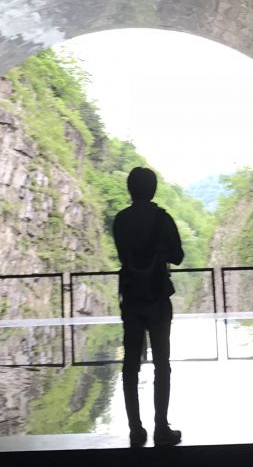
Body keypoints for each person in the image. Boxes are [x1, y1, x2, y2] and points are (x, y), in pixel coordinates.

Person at [112, 166, 183, 447]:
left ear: (130, 189)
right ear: (153, 189)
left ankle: (135, 429)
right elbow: (178, 256)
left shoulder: (121, 220)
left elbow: (122, 254)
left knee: (130, 364)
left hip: (131, 296)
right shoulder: (162, 219)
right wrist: (162, 251)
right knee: (161, 364)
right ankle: (161, 428)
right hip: (156, 295)